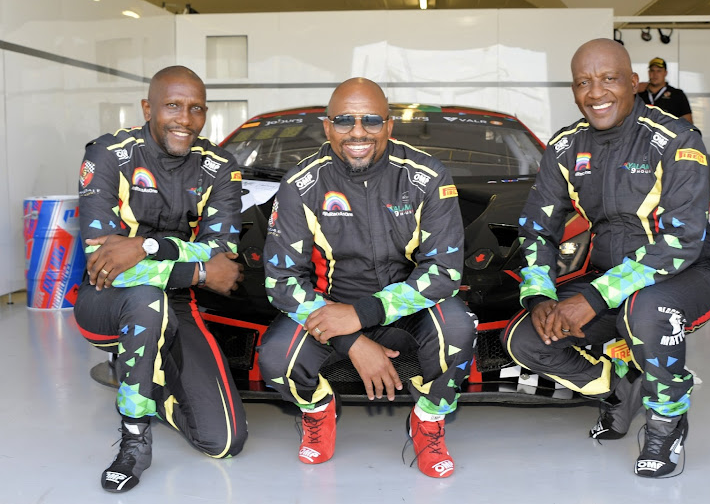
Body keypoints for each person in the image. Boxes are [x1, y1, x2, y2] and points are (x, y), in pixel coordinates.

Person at [502, 39, 710, 478]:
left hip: (687, 275)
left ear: (634, 83)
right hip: (610, 279)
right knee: (526, 338)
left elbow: (680, 241)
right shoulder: (566, 147)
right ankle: (617, 387)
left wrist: (596, 298)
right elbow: (537, 227)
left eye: (609, 79)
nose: (595, 92)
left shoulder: (677, 140)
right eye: (583, 82)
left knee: (647, 311)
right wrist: (540, 296)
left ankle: (666, 420)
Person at [258, 77, 476, 478]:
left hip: (407, 305)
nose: (358, 131)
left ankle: (428, 421)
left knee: (458, 329)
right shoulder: (300, 184)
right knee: (275, 359)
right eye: (344, 121)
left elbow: (444, 273)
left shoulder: (427, 176)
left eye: (371, 120)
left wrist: (364, 314)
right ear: (327, 127)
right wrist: (351, 338)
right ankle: (319, 411)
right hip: (329, 308)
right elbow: (281, 279)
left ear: (389, 126)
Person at [74, 65, 248, 493]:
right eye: (172, 106)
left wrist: (147, 246)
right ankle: (134, 439)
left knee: (224, 442)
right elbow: (106, 260)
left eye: (196, 109)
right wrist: (199, 269)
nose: (185, 119)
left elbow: (225, 262)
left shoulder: (220, 166)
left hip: (178, 305)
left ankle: (151, 383)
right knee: (145, 295)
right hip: (106, 300)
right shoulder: (108, 154)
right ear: (147, 108)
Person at [637, 57, 693, 123]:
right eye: (652, 70)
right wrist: (632, 90)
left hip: (667, 132)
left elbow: (688, 123)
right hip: (643, 133)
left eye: (659, 71)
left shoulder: (677, 94)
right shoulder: (639, 93)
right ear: (648, 72)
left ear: (665, 73)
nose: (655, 74)